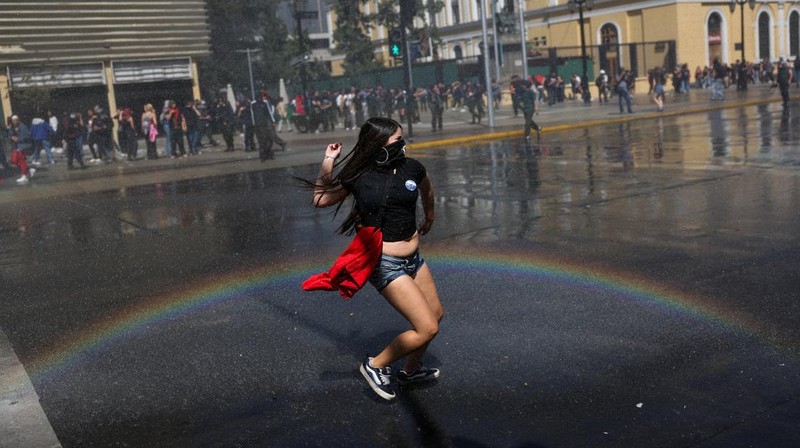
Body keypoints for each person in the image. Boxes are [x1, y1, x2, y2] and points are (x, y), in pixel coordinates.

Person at [304, 117, 443, 401]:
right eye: (396, 141)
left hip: (414, 258)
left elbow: (427, 190)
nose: (402, 145)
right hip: (385, 263)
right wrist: (328, 161)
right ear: (378, 146)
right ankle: (376, 364)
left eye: (402, 139)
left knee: (436, 314)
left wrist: (429, 216)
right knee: (427, 327)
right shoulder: (360, 176)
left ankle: (410, 371)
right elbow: (320, 199)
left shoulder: (412, 168)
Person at [8, 115, 35, 184]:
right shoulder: (12, 127)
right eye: (13, 120)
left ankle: (24, 176)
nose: (14, 122)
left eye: (16, 120)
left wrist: (17, 139)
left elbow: (26, 136)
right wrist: (12, 137)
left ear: (18, 120)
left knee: (21, 160)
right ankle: (29, 170)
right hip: (16, 146)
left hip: (23, 146)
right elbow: (9, 135)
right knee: (14, 161)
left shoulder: (23, 127)